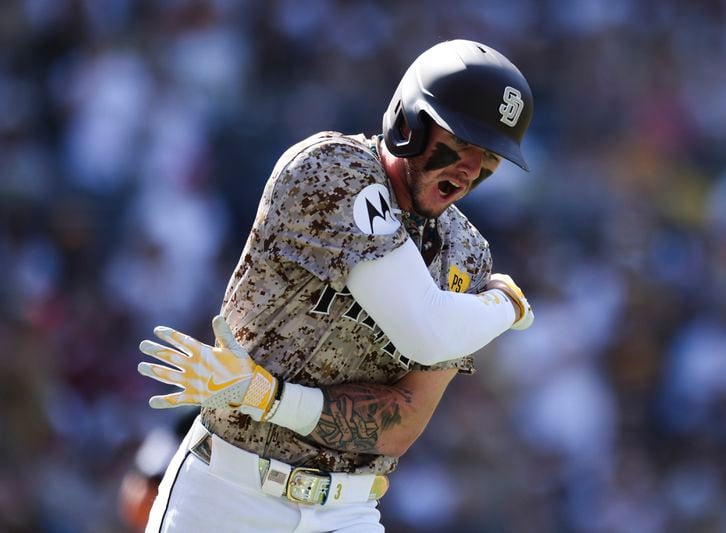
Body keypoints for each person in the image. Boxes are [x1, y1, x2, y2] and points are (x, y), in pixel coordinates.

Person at [137, 39, 535, 532]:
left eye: (490, 154)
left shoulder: (466, 254)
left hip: (346, 510)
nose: (472, 167)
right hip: (226, 493)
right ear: (409, 122)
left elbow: (404, 421)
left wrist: (271, 398)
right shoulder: (334, 168)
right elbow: (425, 331)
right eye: (464, 140)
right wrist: (507, 306)